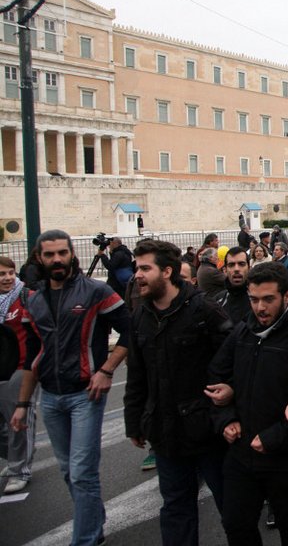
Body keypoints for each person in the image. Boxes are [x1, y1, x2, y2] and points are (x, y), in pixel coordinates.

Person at [12, 229, 131, 546]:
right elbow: (32, 356)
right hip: (50, 398)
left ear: (71, 254)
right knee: (69, 472)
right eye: (49, 254)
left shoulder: (95, 291)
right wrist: (23, 405)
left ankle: (87, 539)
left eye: (62, 252)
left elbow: (131, 331)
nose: (57, 259)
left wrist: (106, 369)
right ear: (39, 257)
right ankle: (95, 519)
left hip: (85, 395)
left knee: (81, 473)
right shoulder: (32, 298)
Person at [206, 262, 288, 546]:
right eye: (254, 300)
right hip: (243, 453)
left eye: (268, 299)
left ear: (286, 296)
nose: (260, 308)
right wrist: (227, 419)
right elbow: (216, 377)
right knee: (236, 524)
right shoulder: (242, 333)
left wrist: (275, 437)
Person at [124, 239, 233, 545]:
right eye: (137, 268)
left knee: (233, 508)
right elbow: (137, 374)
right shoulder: (140, 317)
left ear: (167, 271)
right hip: (165, 432)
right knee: (175, 509)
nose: (138, 275)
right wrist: (135, 421)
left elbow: (236, 360)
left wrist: (230, 397)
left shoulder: (204, 310)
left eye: (145, 268)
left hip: (209, 431)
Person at [0, 255, 41, 494]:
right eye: (1, 274)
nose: (6, 278)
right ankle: (17, 455)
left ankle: (19, 469)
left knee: (18, 420)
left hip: (21, 368)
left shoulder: (27, 298)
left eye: (10, 273)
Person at [215, 247, 253, 325]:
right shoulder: (218, 301)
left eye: (241, 264)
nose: (236, 269)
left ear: (249, 268)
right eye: (231, 265)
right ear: (225, 270)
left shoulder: (258, 300)